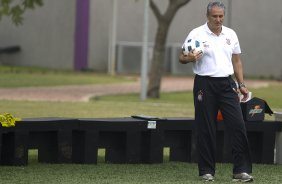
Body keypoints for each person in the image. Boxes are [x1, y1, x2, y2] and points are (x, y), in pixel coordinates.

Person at [179, 1, 253, 182]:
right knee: (206, 128)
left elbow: (236, 61)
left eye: (221, 16)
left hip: (228, 85)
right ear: (207, 16)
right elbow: (181, 56)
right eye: (215, 16)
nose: (218, 19)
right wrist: (189, 58)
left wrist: (241, 84)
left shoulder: (231, 34)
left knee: (238, 126)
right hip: (204, 84)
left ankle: (240, 171)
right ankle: (206, 171)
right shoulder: (196, 33)